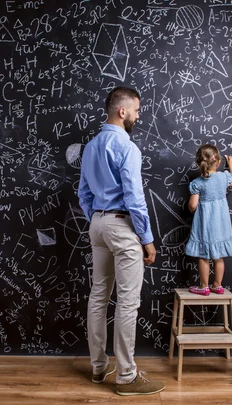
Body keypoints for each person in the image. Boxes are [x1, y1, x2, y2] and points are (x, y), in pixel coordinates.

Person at [78, 86, 165, 396]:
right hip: (122, 225)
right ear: (122, 111)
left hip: (98, 224)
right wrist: (147, 239)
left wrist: (97, 218)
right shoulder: (126, 146)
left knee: (98, 297)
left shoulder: (89, 147)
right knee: (127, 303)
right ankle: (126, 376)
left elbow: (83, 193)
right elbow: (134, 198)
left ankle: (99, 367)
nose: (139, 115)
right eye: (137, 110)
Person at [185, 144, 232, 296]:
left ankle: (204, 286)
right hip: (221, 224)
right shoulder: (223, 177)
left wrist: (191, 209)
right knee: (218, 256)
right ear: (218, 162)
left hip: (205, 223)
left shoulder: (198, 183)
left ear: (199, 163)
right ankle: (217, 285)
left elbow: (193, 205)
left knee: (204, 255)